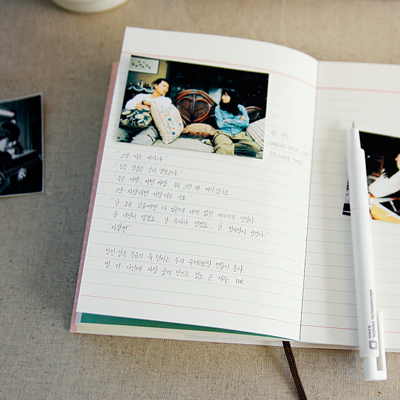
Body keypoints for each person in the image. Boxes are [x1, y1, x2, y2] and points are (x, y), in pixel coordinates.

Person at [118, 78, 172, 146]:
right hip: (131, 123)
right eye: (163, 86)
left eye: (167, 88)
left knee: (139, 143)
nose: (165, 89)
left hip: (149, 126)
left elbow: (161, 107)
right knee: (117, 136)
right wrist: (147, 105)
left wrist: (141, 103)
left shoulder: (166, 100)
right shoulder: (141, 96)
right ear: (156, 85)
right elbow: (128, 105)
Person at [213, 89, 260, 157]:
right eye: (223, 95)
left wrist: (228, 120)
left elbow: (246, 123)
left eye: (226, 95)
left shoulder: (241, 108)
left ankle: (227, 147)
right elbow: (220, 124)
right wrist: (239, 121)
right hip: (223, 133)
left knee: (254, 148)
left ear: (232, 96)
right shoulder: (218, 108)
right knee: (222, 148)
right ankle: (224, 147)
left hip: (239, 134)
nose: (223, 97)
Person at [0, 121, 26, 193]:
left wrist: (19, 179)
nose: (12, 144)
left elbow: (9, 183)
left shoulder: (7, 156)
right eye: (9, 140)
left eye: (14, 140)